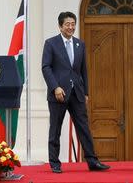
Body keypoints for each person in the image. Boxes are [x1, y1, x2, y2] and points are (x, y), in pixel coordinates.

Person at [42, 11, 110, 173]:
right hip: (59, 94)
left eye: (73, 24)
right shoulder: (51, 43)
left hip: (77, 94)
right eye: (67, 24)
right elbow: (46, 67)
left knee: (84, 127)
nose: (71, 27)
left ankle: (93, 161)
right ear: (60, 26)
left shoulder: (80, 44)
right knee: (55, 129)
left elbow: (83, 70)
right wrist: (55, 87)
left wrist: (86, 92)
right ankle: (55, 163)